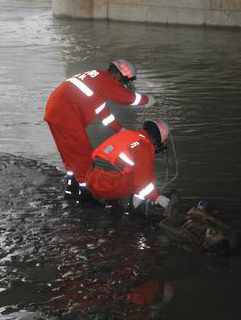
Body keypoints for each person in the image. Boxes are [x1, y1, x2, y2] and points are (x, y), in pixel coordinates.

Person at [44, 60, 156, 199]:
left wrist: (121, 131)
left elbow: (104, 114)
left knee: (70, 154)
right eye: (123, 82)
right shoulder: (105, 81)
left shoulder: (97, 81)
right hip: (65, 115)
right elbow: (128, 98)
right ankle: (85, 194)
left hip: (56, 112)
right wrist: (146, 99)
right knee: (83, 156)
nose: (122, 85)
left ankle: (72, 187)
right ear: (117, 75)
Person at [84, 119, 171, 216]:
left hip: (91, 179)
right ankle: (135, 208)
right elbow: (142, 182)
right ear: (157, 138)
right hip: (108, 185)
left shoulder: (127, 134)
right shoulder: (144, 145)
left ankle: (112, 202)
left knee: (126, 170)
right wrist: (156, 197)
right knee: (146, 179)